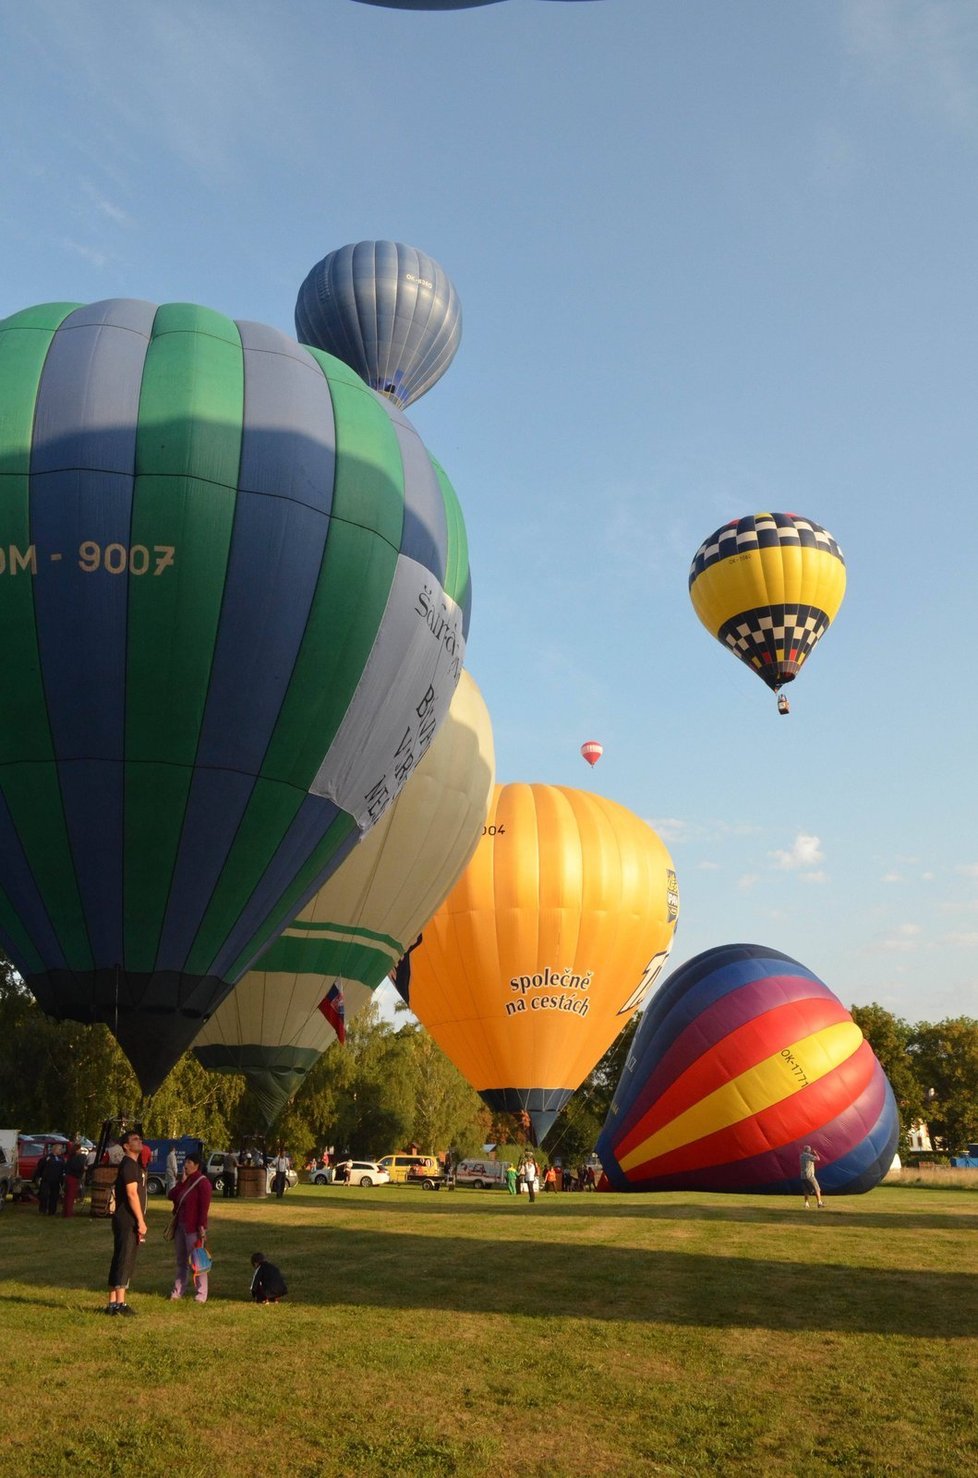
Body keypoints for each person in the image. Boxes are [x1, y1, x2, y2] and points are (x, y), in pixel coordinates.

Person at [104, 1130, 147, 1316]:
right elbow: (131, 1194)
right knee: (125, 1258)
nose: (139, 1141)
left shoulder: (134, 1165)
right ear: (126, 1146)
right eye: (134, 1139)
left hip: (126, 1218)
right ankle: (120, 1304)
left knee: (120, 1257)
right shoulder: (129, 1165)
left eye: (140, 1139)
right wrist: (140, 1220)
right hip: (127, 1218)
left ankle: (112, 1303)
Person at [168, 1150, 212, 1302]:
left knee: (197, 1261)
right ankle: (178, 1291)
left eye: (189, 1162)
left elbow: (204, 1207)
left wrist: (202, 1226)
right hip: (180, 1226)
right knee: (181, 1260)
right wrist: (181, 1181)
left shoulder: (203, 1183)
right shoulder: (186, 1181)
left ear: (196, 1165)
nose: (185, 1165)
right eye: (185, 1162)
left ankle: (201, 1294)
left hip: (193, 1228)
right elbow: (171, 1195)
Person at [36, 1144, 66, 1215]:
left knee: (54, 1196)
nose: (60, 1151)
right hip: (47, 1179)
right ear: (54, 1150)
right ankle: (43, 1209)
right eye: (59, 1149)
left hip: (56, 1180)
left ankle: (52, 1211)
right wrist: (40, 1176)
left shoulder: (61, 1159)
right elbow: (40, 1167)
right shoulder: (47, 1158)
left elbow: (63, 1168)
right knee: (44, 1195)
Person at [63, 1144, 88, 1217]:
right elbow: (79, 1167)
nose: (80, 1151)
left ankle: (66, 1211)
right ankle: (68, 1213)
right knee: (70, 1196)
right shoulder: (78, 1158)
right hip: (73, 1178)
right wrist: (84, 1168)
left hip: (69, 1177)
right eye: (79, 1149)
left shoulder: (70, 1158)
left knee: (67, 1195)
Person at [800, 1144, 824, 1209]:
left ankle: (806, 1204)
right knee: (817, 1189)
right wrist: (815, 1153)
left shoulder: (801, 1156)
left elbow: (809, 1162)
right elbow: (818, 1159)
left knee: (806, 1190)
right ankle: (819, 1203)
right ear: (808, 1150)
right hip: (810, 1175)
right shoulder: (809, 1156)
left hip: (803, 1176)